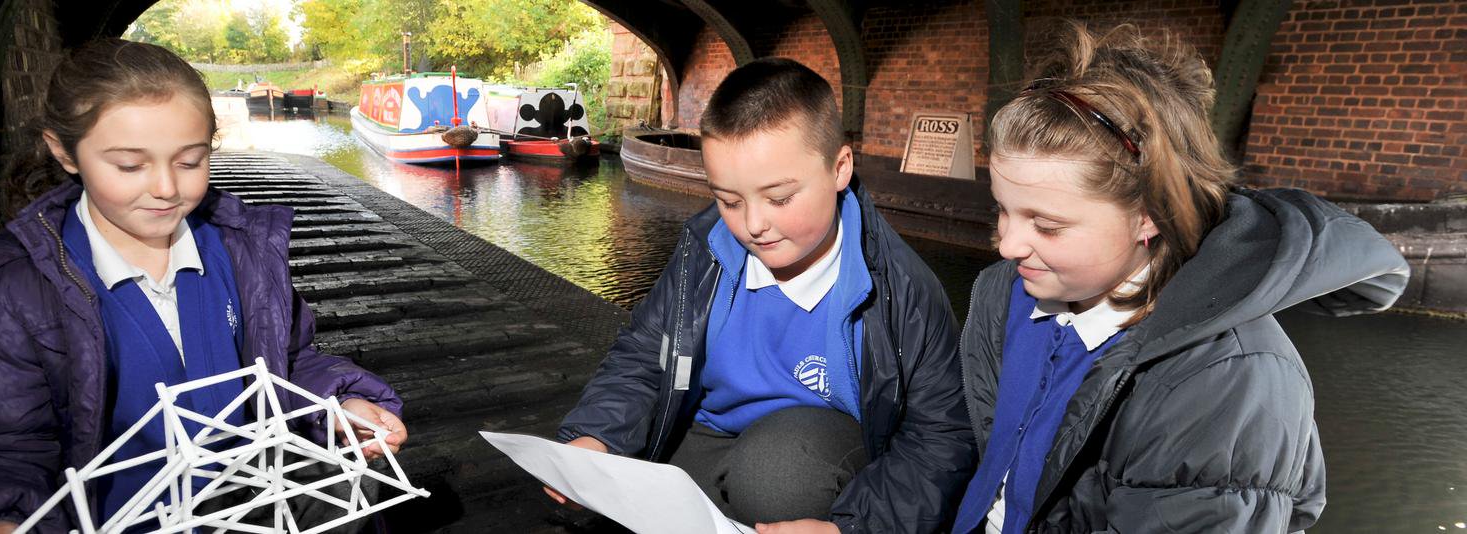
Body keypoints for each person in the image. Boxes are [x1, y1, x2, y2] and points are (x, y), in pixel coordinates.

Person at [0, 39, 406, 533]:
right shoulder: (5, 292)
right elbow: (3, 448)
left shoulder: (242, 251)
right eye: (130, 166)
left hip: (265, 511)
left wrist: (340, 403)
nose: (167, 189)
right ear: (64, 151)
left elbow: (290, 360)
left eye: (190, 161)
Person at [951, 22, 1409, 533]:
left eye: (1048, 226)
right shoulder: (1006, 293)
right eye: (1002, 210)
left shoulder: (1229, 383)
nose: (1007, 245)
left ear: (1148, 215)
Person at [550, 58, 976, 534]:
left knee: (778, 475)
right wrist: (596, 436)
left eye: (779, 198)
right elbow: (646, 353)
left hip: (813, 456)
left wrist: (853, 529)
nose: (752, 225)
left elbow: (940, 436)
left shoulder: (905, 290)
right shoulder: (703, 249)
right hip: (709, 432)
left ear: (840, 168)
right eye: (729, 201)